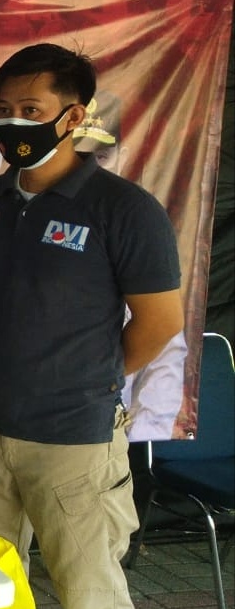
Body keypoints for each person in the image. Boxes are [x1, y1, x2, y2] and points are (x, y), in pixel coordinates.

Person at [0, 43, 184, 609]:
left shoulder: (124, 209)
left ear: (74, 117)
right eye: (5, 108)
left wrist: (88, 377)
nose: (13, 122)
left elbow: (160, 321)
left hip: (74, 442)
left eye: (31, 109)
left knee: (91, 605)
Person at [72, 91, 190, 441]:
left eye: (101, 156)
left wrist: (135, 435)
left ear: (122, 157)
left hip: (105, 426)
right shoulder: (24, 218)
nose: (89, 168)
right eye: (78, 156)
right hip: (20, 416)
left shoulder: (139, 221)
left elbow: (165, 344)